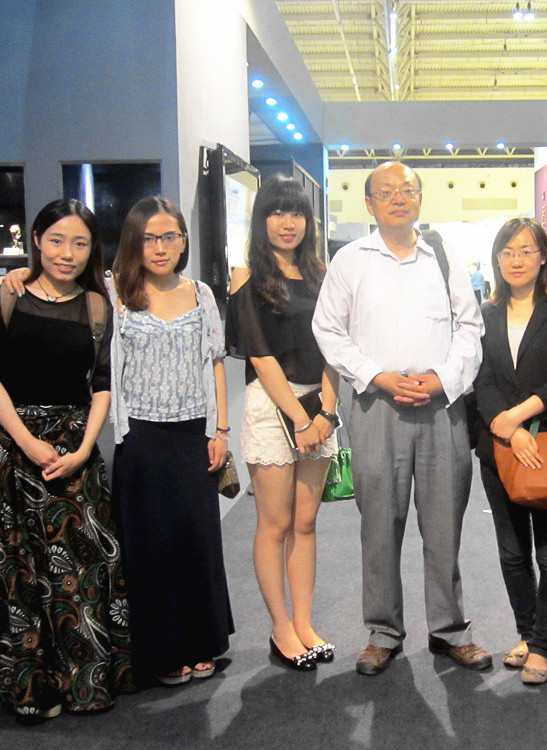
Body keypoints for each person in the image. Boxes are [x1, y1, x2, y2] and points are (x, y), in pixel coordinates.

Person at [3, 198, 235, 686]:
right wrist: (22, 272)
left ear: (184, 241)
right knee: (150, 548)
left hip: (193, 434)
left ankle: (201, 641)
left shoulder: (201, 293)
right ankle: (164, 649)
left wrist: (221, 431)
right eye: (149, 238)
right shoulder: (114, 292)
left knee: (197, 542)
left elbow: (215, 361)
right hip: (141, 437)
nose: (160, 247)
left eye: (170, 236)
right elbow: (63, 279)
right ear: (133, 242)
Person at [312, 161, 490, 676]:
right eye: (386, 192)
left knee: (444, 525)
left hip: (441, 407)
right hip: (376, 406)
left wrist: (443, 378)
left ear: (419, 197)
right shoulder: (350, 260)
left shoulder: (443, 254)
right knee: (379, 528)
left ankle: (450, 630)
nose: (397, 198)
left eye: (407, 189)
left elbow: (470, 327)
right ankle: (383, 632)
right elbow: (328, 330)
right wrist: (378, 376)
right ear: (369, 204)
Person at [0, 199, 131, 721]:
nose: (67, 253)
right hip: (13, 450)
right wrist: (26, 440)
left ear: (92, 249)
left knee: (81, 569)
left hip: (75, 449)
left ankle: (84, 683)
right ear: (37, 240)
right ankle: (29, 687)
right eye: (56, 240)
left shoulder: (97, 305)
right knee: (17, 568)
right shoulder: (7, 294)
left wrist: (82, 449)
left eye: (80, 243)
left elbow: (101, 383)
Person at [226, 174, 339, 672]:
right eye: (276, 212)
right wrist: (300, 418)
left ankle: (305, 622)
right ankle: (280, 627)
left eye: (295, 213)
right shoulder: (246, 275)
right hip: (274, 407)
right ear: (261, 219)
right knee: (275, 524)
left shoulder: (322, 274)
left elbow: (335, 348)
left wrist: (327, 413)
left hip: (320, 406)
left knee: (306, 522)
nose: (287, 222)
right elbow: (260, 355)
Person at [473, 218, 547, 686]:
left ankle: (543, 646)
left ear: (543, 258)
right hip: (498, 449)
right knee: (513, 552)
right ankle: (527, 633)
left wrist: (517, 421)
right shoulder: (484, 312)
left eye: (526, 250)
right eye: (507, 252)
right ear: (497, 260)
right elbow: (481, 378)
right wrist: (506, 428)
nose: (516, 260)